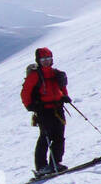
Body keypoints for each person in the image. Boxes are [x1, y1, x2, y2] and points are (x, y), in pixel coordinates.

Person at [21, 47, 71, 176]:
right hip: (43, 110)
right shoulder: (34, 76)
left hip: (57, 108)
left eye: (48, 59)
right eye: (43, 59)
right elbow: (25, 92)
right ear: (38, 60)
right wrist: (30, 106)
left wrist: (64, 96)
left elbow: (62, 87)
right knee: (45, 137)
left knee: (59, 137)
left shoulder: (56, 73)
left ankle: (55, 163)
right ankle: (42, 167)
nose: (46, 61)